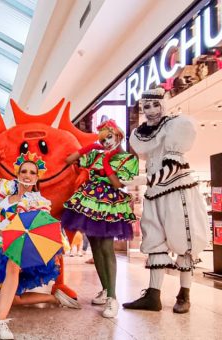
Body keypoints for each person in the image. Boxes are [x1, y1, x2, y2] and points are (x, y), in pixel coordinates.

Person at [0, 142, 79, 340]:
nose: (27, 175)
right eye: (24, 171)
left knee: (12, 264)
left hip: (17, 247)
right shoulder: (6, 191)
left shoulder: (38, 202)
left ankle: (0, 322)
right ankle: (54, 299)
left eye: (32, 172)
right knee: (15, 300)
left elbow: (42, 230)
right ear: (18, 173)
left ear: (37, 177)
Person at [123, 87, 209, 314]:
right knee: (154, 240)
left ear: (164, 105)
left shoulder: (176, 126)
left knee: (183, 241)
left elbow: (173, 167)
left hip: (176, 190)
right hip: (154, 193)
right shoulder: (144, 132)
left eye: (154, 105)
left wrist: (141, 179)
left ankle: (184, 293)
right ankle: (153, 295)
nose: (150, 110)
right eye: (146, 106)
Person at [62, 119, 139, 318]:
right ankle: (105, 290)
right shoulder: (95, 153)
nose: (105, 142)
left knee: (106, 247)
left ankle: (113, 298)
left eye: (108, 137)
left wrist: (106, 162)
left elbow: (116, 184)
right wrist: (89, 147)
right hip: (89, 202)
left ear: (119, 136)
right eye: (102, 138)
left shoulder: (129, 158)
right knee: (95, 246)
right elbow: (69, 160)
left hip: (109, 204)